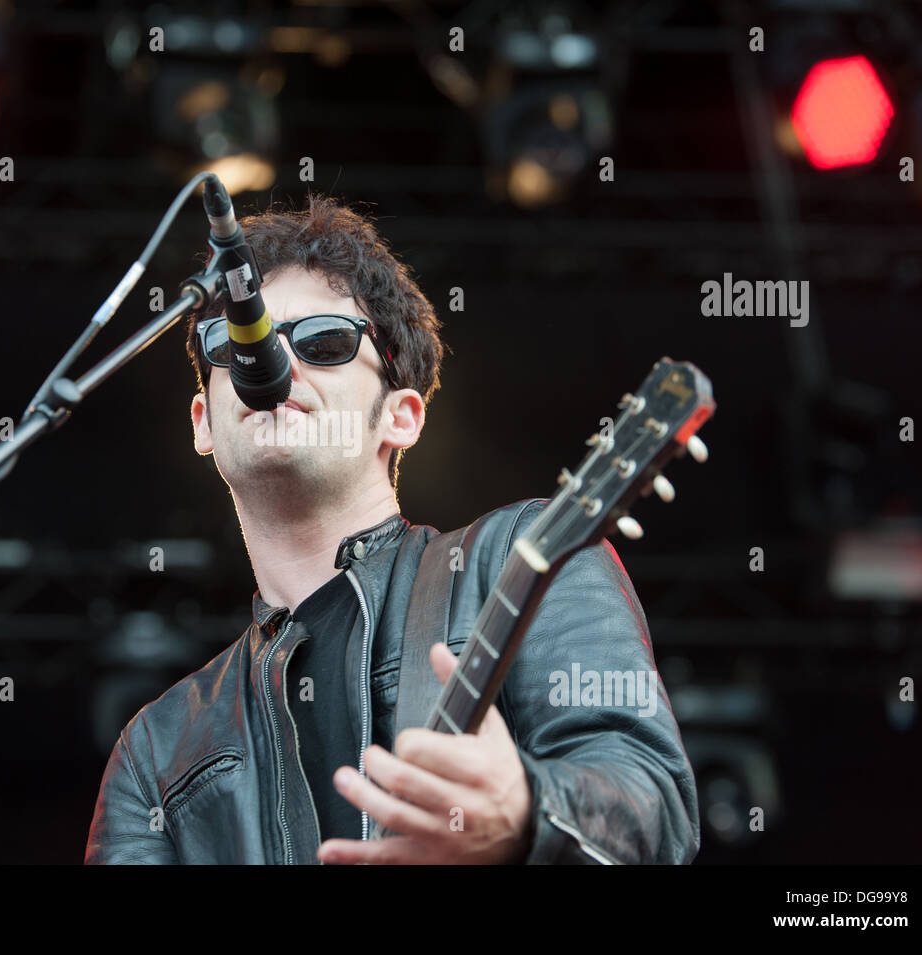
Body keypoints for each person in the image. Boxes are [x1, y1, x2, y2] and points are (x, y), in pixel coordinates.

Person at [84, 192, 700, 864]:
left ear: (400, 415)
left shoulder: (524, 557)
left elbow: (653, 806)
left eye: (323, 341)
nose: (273, 364)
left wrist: (527, 813)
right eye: (240, 342)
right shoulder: (158, 748)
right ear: (204, 420)